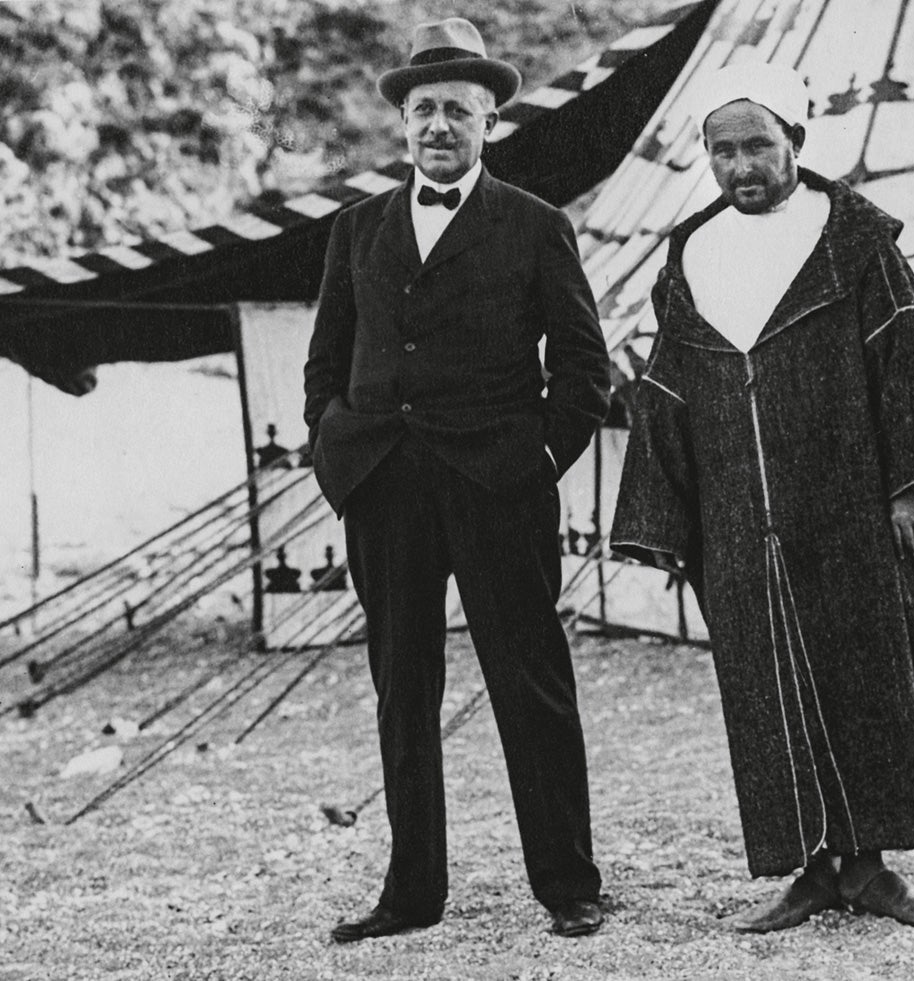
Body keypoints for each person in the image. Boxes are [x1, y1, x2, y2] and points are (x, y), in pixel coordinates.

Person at [611, 63, 914, 934]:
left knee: (870, 675)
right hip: (740, 517)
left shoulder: (854, 241)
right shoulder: (690, 255)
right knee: (765, 687)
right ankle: (810, 870)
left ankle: (872, 868)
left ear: (796, 143)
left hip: (853, 507)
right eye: (723, 150)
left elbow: (912, 359)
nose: (741, 166)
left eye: (758, 146)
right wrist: (659, 518)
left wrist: (913, 488)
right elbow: (666, 388)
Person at [303, 17, 610, 943]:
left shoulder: (536, 225)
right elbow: (326, 359)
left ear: (489, 123)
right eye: (424, 110)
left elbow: (584, 368)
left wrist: (541, 461)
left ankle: (568, 883)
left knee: (531, 682)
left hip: (497, 486)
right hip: (384, 486)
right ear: (403, 123)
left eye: (458, 112)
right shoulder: (357, 228)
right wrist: (334, 446)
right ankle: (411, 894)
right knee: (403, 689)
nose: (439, 126)